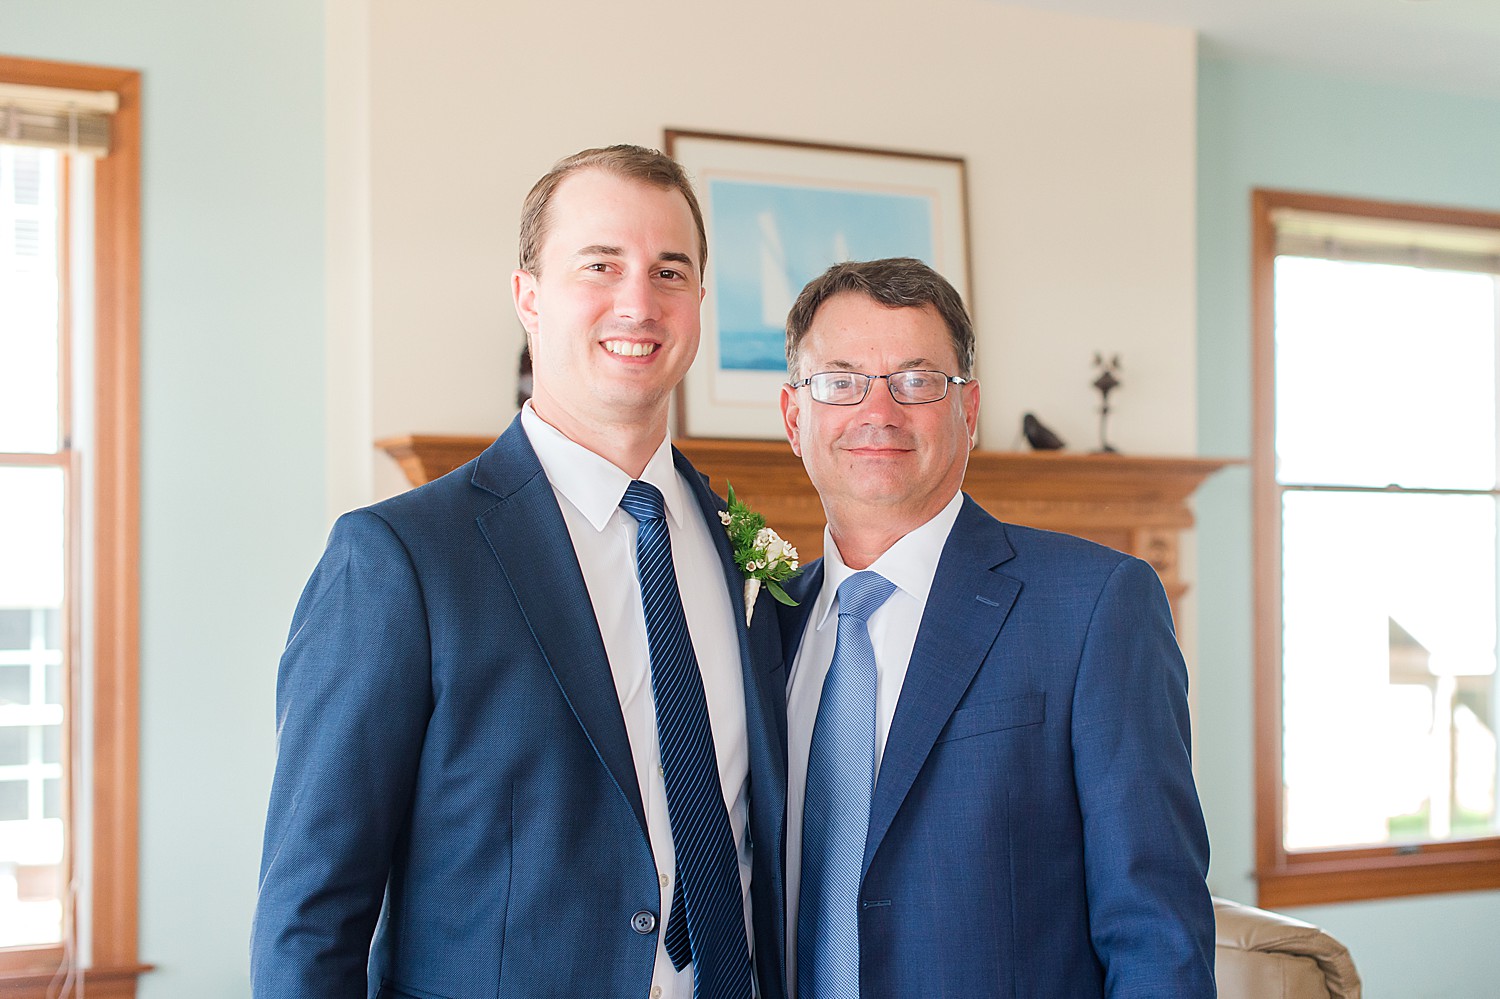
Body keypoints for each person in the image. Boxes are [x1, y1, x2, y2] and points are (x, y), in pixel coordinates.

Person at [251, 145, 787, 999]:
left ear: (697, 305)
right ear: (528, 297)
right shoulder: (399, 557)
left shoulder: (748, 547)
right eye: (600, 265)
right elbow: (311, 909)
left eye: (670, 271)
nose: (638, 302)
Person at [776, 257, 1215, 998]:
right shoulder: (763, 626)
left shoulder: (1096, 605)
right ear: (795, 418)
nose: (877, 411)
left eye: (916, 381)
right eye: (840, 380)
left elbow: (1157, 933)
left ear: (968, 412)